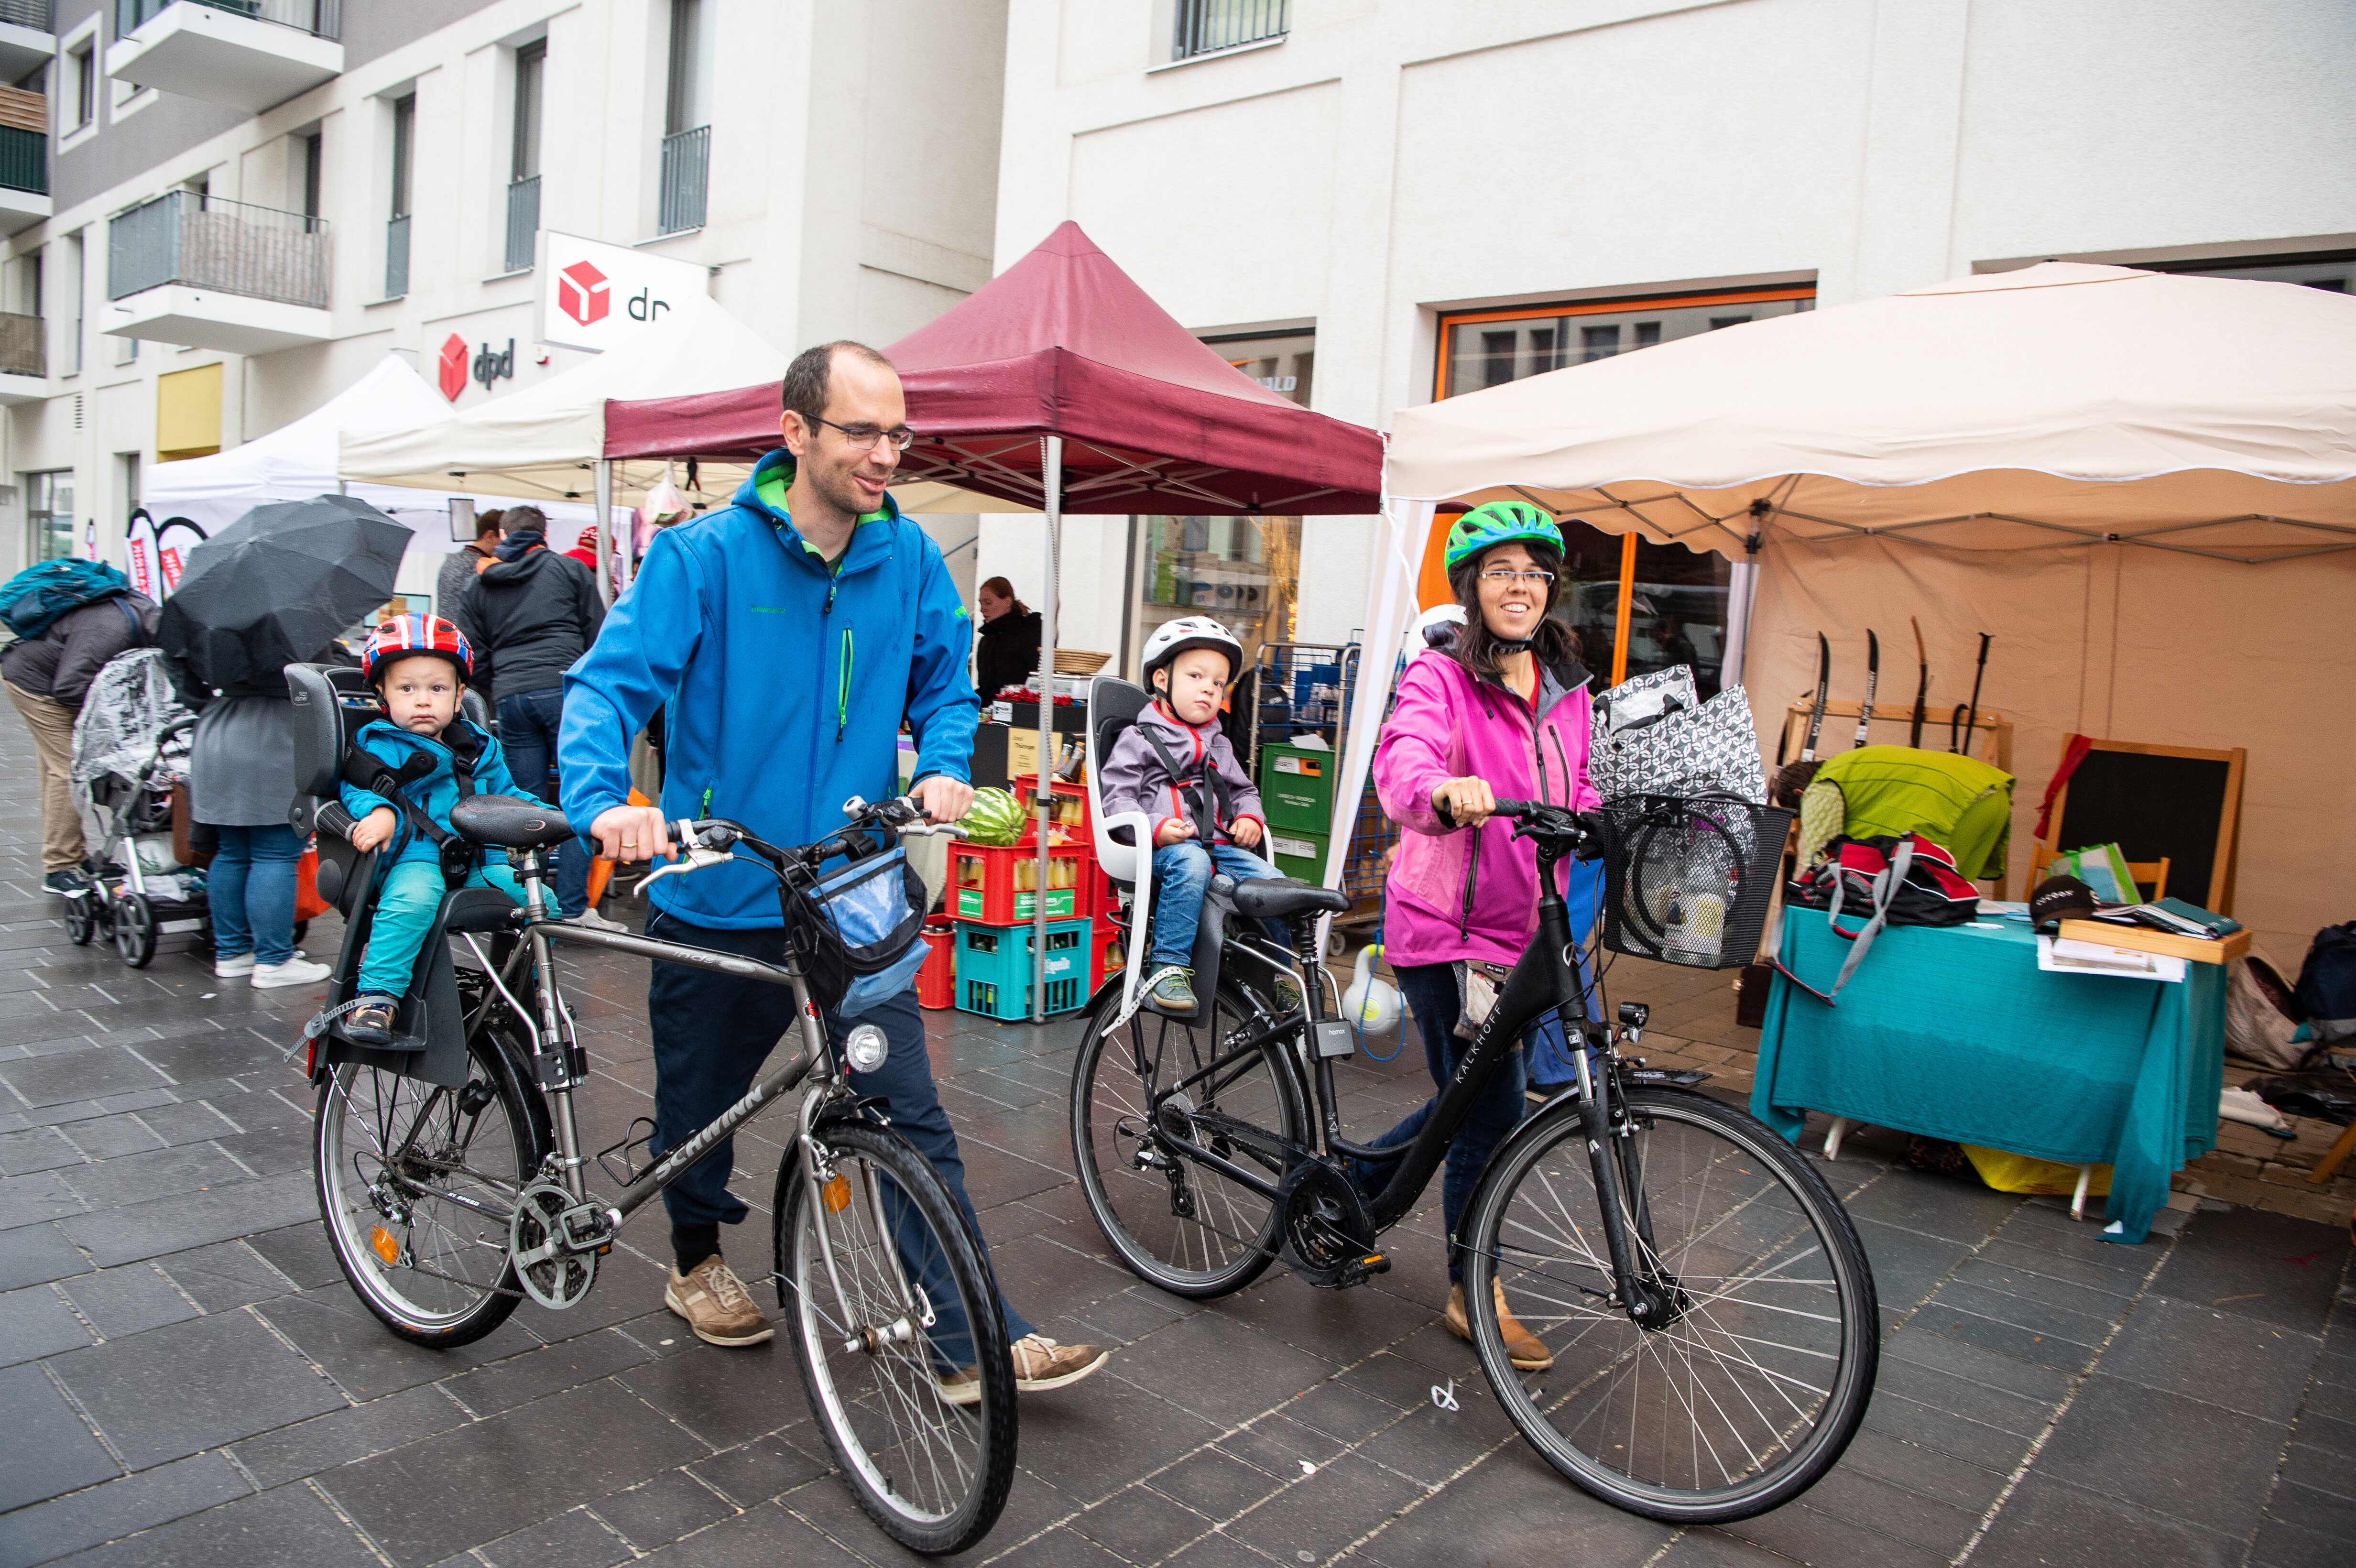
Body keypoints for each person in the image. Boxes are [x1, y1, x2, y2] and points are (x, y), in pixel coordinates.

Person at [558, 340, 1106, 1396]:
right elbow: (606, 687)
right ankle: (695, 1259)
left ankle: (965, 1334)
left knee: (906, 1105)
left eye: (898, 432)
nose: (887, 453)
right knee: (698, 1105)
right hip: (716, 881)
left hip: (851, 889)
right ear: (795, 431)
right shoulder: (701, 557)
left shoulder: (904, 560)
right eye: (862, 430)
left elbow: (950, 683)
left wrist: (947, 765)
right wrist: (601, 802)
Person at [1360, 501, 1603, 1374]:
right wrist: (1438, 791)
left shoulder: (1569, 690)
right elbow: (1404, 762)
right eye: (1500, 572)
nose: (1519, 587)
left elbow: (1587, 786)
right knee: (1492, 1109)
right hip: (1444, 931)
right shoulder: (1440, 678)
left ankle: (1353, 1191)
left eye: (1533, 574)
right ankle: (1472, 1287)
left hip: (1528, 930)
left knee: (1472, 1101)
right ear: (1471, 589)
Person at [338, 615, 532, 1045]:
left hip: (483, 860)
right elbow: (356, 788)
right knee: (412, 902)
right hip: (416, 857)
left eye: (438, 689)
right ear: (382, 694)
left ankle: (524, 989)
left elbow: (508, 796)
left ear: (460, 694)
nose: (423, 701)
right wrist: (380, 812)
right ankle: (378, 997)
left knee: (541, 904)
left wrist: (553, 819)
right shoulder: (378, 744)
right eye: (407, 689)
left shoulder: (479, 745)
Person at [1095, 615, 1286, 1017]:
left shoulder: (1220, 744)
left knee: (1276, 885)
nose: (1208, 688)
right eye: (1196, 675)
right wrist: (1157, 828)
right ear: (1162, 679)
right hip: (1164, 850)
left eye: (1218, 683)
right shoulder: (1138, 739)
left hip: (1219, 844)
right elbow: (1118, 798)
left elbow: (1244, 791)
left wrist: (1250, 817)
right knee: (1193, 860)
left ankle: (1279, 978)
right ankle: (1167, 966)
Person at [454, 504, 614, 927]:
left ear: (504, 532)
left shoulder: (478, 585)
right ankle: (576, 909)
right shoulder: (569, 571)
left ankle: (534, 906)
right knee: (576, 797)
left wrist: (503, 685)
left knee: (524, 806)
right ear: (544, 532)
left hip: (511, 697)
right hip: (565, 691)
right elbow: (598, 635)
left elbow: (474, 656)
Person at [187, 640, 338, 989]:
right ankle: (273, 961)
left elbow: (186, 682)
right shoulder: (299, 623)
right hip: (276, 733)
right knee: (275, 854)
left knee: (231, 852)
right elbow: (321, 676)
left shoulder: (209, 620)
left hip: (217, 729)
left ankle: (233, 953)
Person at [2, 572, 157, 893]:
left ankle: (71, 854)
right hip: (36, 685)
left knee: (54, 769)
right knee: (69, 771)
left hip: (49, 676)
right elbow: (70, 688)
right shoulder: (110, 630)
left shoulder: (145, 613)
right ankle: (60, 867)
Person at [972, 575, 1042, 701]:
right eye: (981, 603)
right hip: (992, 713)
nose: (982, 609)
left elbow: (1038, 681)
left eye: (988, 603)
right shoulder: (986, 640)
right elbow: (985, 688)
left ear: (1007, 602)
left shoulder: (1029, 633)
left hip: (1021, 710)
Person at [435, 509, 502, 618]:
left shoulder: (451, 561)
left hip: (446, 631)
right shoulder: (483, 566)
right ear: (490, 536)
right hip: (467, 633)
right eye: (504, 539)